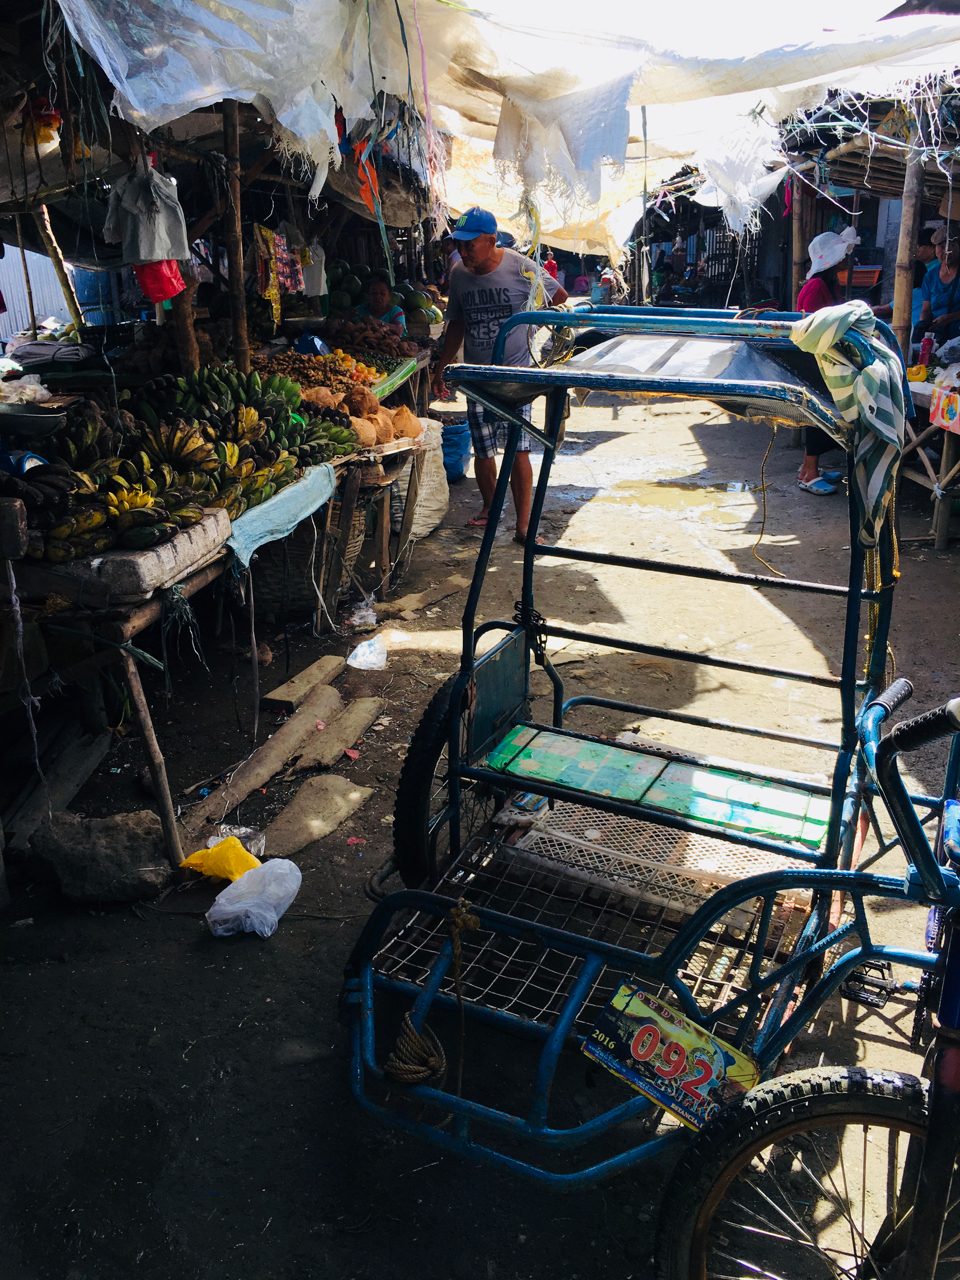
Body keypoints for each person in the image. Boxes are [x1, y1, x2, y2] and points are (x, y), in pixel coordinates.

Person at [432, 206, 568, 544]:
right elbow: (458, 324)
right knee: (482, 450)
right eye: (459, 245)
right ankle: (491, 509)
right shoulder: (460, 274)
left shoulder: (521, 267)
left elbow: (560, 299)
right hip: (478, 379)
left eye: (469, 245)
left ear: (491, 240)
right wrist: (441, 367)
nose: (463, 253)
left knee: (518, 451)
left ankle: (523, 526)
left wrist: (538, 335)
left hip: (517, 379)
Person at [796, 227, 859, 495]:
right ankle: (809, 473)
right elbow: (813, 327)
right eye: (842, 255)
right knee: (820, 415)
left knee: (824, 413)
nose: (846, 260)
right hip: (817, 358)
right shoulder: (816, 287)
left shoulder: (828, 284)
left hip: (827, 356)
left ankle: (807, 469)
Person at [916, 223, 960, 343]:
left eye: (951, 246)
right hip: (938, 339)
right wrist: (922, 324)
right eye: (941, 247)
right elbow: (926, 309)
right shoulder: (930, 277)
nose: (946, 251)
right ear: (934, 250)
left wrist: (951, 317)